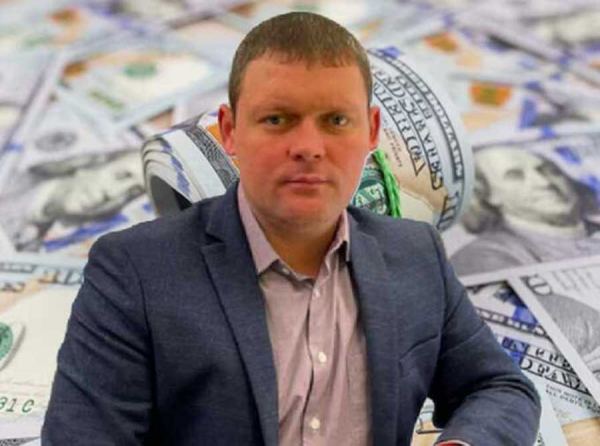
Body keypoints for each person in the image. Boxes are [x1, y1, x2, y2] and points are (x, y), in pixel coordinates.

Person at [42, 12, 541, 446]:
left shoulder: (415, 254)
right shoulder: (135, 270)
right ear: (230, 130)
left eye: (336, 121)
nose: (308, 147)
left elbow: (499, 388)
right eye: (278, 119)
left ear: (371, 131)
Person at [450, 146, 600, 276]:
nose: (544, 182)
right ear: (487, 194)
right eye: (515, 176)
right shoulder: (486, 255)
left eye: (549, 170)